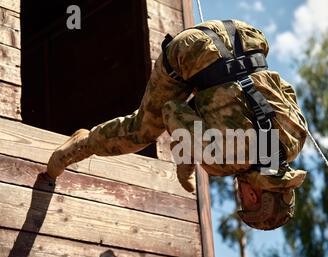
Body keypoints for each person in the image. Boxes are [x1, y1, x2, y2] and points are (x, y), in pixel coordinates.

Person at [46, 19, 308, 230]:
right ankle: (79, 146)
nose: (239, 195)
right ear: (254, 197)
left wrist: (224, 101)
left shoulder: (295, 140)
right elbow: (173, 110)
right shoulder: (225, 162)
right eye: (244, 201)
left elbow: (284, 88)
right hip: (189, 51)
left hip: (245, 36)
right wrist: (189, 159)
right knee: (141, 131)